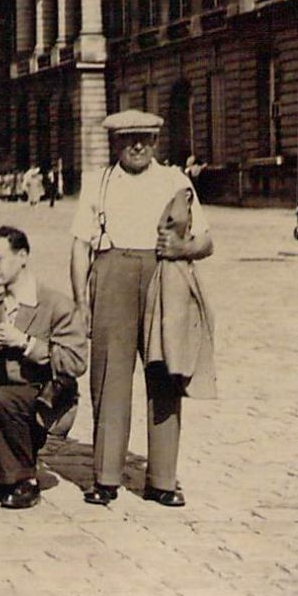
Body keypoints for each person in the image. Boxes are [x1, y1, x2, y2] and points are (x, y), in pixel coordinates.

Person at [71, 110, 212, 508]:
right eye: (129, 139)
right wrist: (82, 302)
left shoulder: (175, 181)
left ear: (156, 142)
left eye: (145, 139)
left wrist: (183, 248)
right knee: (109, 378)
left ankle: (162, 480)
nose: (137, 146)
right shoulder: (96, 182)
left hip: (163, 278)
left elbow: (206, 239)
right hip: (111, 274)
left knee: (165, 376)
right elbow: (80, 246)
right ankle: (106, 478)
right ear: (115, 142)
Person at [0, 226, 88, 509]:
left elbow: (75, 361)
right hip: (5, 400)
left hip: (46, 396)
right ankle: (7, 471)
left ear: (22, 256)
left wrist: (25, 342)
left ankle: (26, 481)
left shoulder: (56, 304)